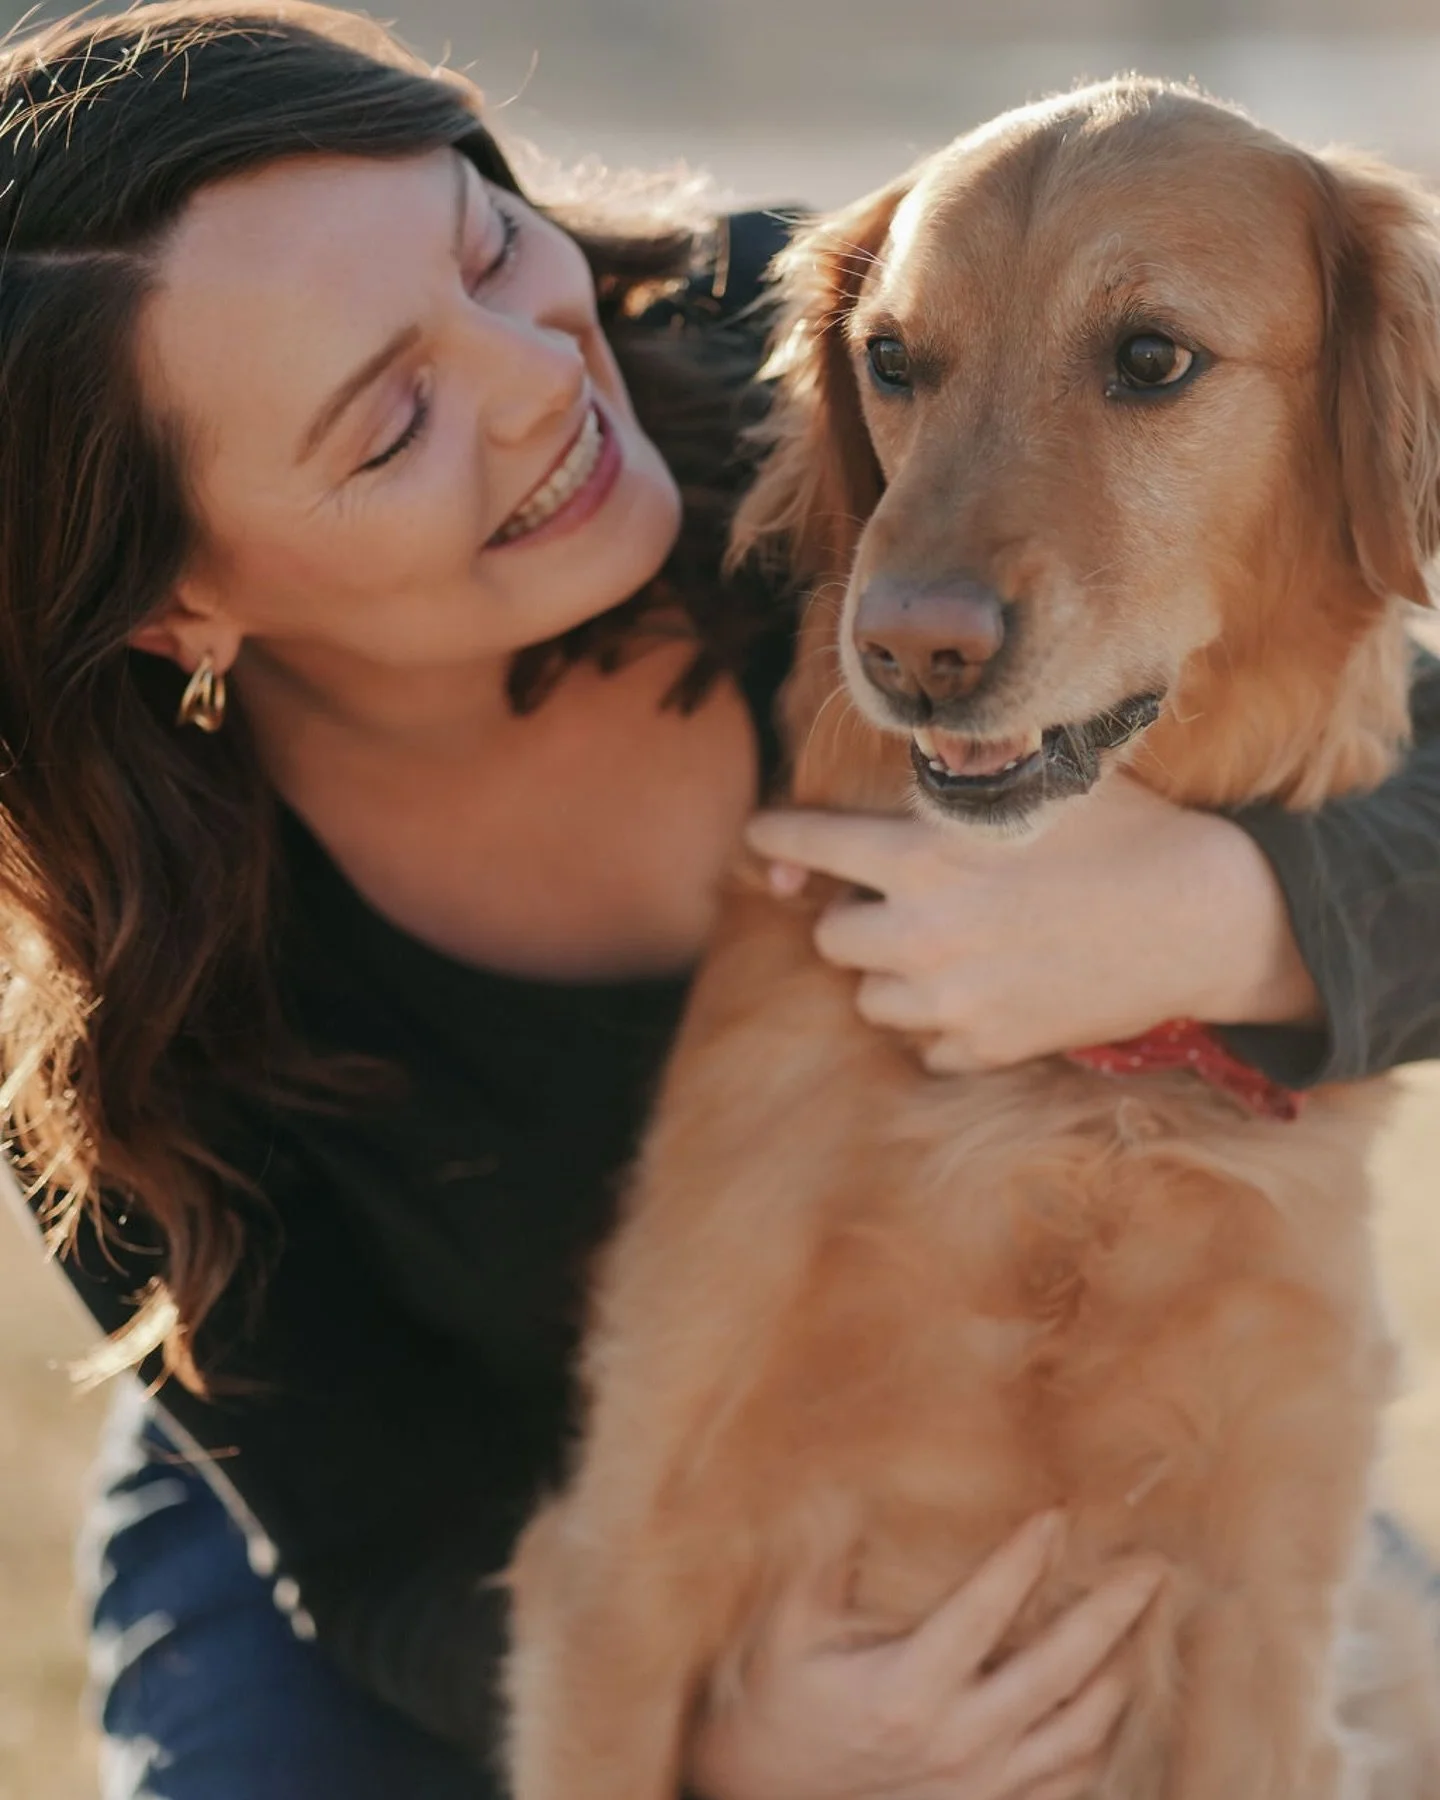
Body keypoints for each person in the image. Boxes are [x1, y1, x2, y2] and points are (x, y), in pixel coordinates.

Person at [4, 6, 1440, 1797]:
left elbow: (1389, 729)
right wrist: (733, 1741)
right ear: (176, 604)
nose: (540, 378)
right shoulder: (125, 1006)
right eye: (391, 424)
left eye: (485, 246)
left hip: (1050, 1416)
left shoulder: (819, 342)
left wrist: (1232, 915)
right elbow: (374, 1539)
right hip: (442, 1506)